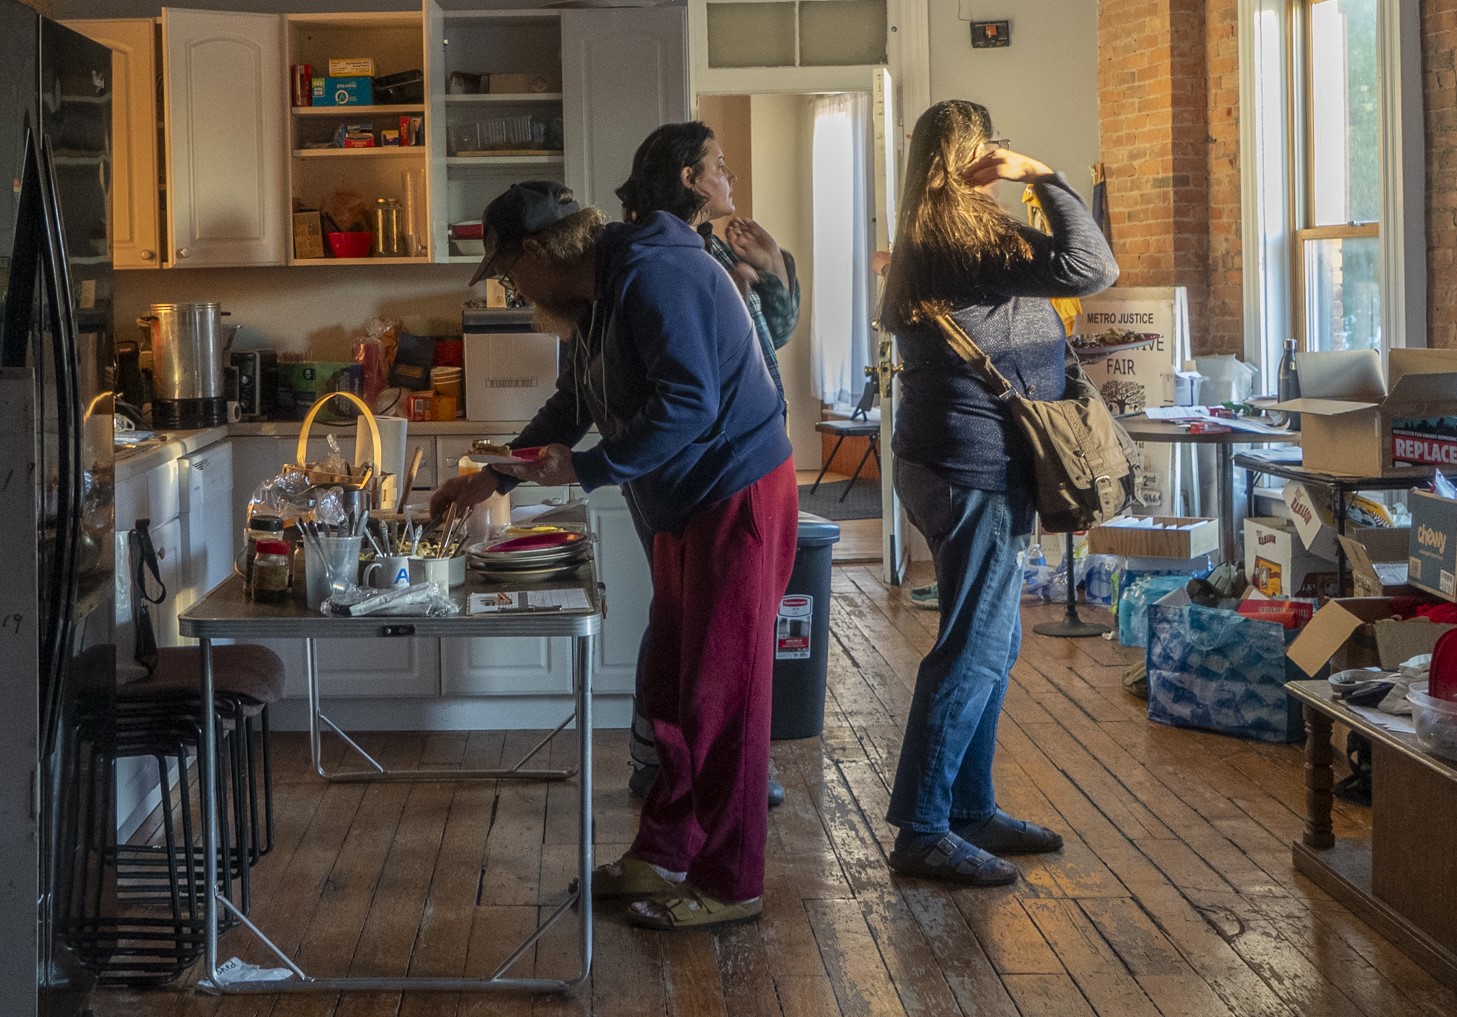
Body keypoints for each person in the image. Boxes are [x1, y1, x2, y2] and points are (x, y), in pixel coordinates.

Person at [430, 180, 799, 929]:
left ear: (538, 250)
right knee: (668, 686)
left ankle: (732, 882)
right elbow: (570, 408)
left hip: (737, 491)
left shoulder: (655, 275)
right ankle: (665, 851)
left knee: (722, 696)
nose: (509, 285)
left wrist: (589, 469)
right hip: (681, 503)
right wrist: (492, 474)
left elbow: (690, 402)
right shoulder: (587, 301)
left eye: (507, 269)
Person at [878, 101, 1118, 885]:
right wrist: (1041, 176)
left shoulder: (935, 236)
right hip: (973, 467)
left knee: (992, 640)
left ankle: (969, 808)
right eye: (990, 145)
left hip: (956, 463)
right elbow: (1092, 267)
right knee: (974, 646)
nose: (1000, 153)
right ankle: (921, 829)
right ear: (971, 154)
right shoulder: (963, 239)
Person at [614, 121, 801, 806]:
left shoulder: (709, 253)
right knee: (691, 612)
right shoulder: (670, 261)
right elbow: (689, 389)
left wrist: (773, 268)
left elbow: (769, 339)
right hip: (702, 466)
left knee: (705, 613)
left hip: (730, 459)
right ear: (689, 179)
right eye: (719, 165)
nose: (730, 177)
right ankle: (676, 761)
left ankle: (699, 760)